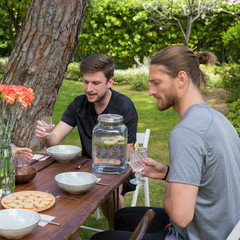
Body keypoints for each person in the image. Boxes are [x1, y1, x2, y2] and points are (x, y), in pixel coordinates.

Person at [91, 45, 240, 240]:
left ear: (181, 79)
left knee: (100, 239)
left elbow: (180, 216)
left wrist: (173, 180)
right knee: (123, 217)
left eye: (156, 83)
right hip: (223, 228)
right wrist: (170, 173)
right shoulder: (217, 118)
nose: (150, 92)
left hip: (196, 235)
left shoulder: (187, 132)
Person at [36, 54, 138, 219]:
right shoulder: (79, 104)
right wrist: (46, 135)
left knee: (109, 190)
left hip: (116, 169)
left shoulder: (124, 106)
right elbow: (54, 140)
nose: (88, 89)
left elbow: (126, 154)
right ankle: (64, 228)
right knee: (50, 183)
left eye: (95, 83)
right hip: (85, 166)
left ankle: (118, 230)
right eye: (85, 82)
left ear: (110, 82)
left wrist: (97, 168)